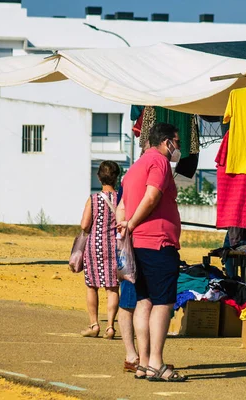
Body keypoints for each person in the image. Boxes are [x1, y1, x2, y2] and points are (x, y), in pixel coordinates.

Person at [117, 123, 186, 382]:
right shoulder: (159, 163)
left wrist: (125, 227)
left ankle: (144, 362)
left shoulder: (134, 167)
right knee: (162, 303)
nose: (178, 148)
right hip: (158, 243)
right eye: (177, 142)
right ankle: (156, 362)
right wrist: (133, 224)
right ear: (167, 142)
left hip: (138, 245)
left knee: (144, 301)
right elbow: (152, 196)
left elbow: (122, 205)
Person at [79, 161, 121, 339]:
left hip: (94, 246)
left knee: (92, 286)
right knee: (112, 288)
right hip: (115, 247)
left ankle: (94, 324)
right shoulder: (121, 199)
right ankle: (110, 327)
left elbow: (84, 225)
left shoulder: (94, 199)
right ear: (117, 177)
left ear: (99, 177)